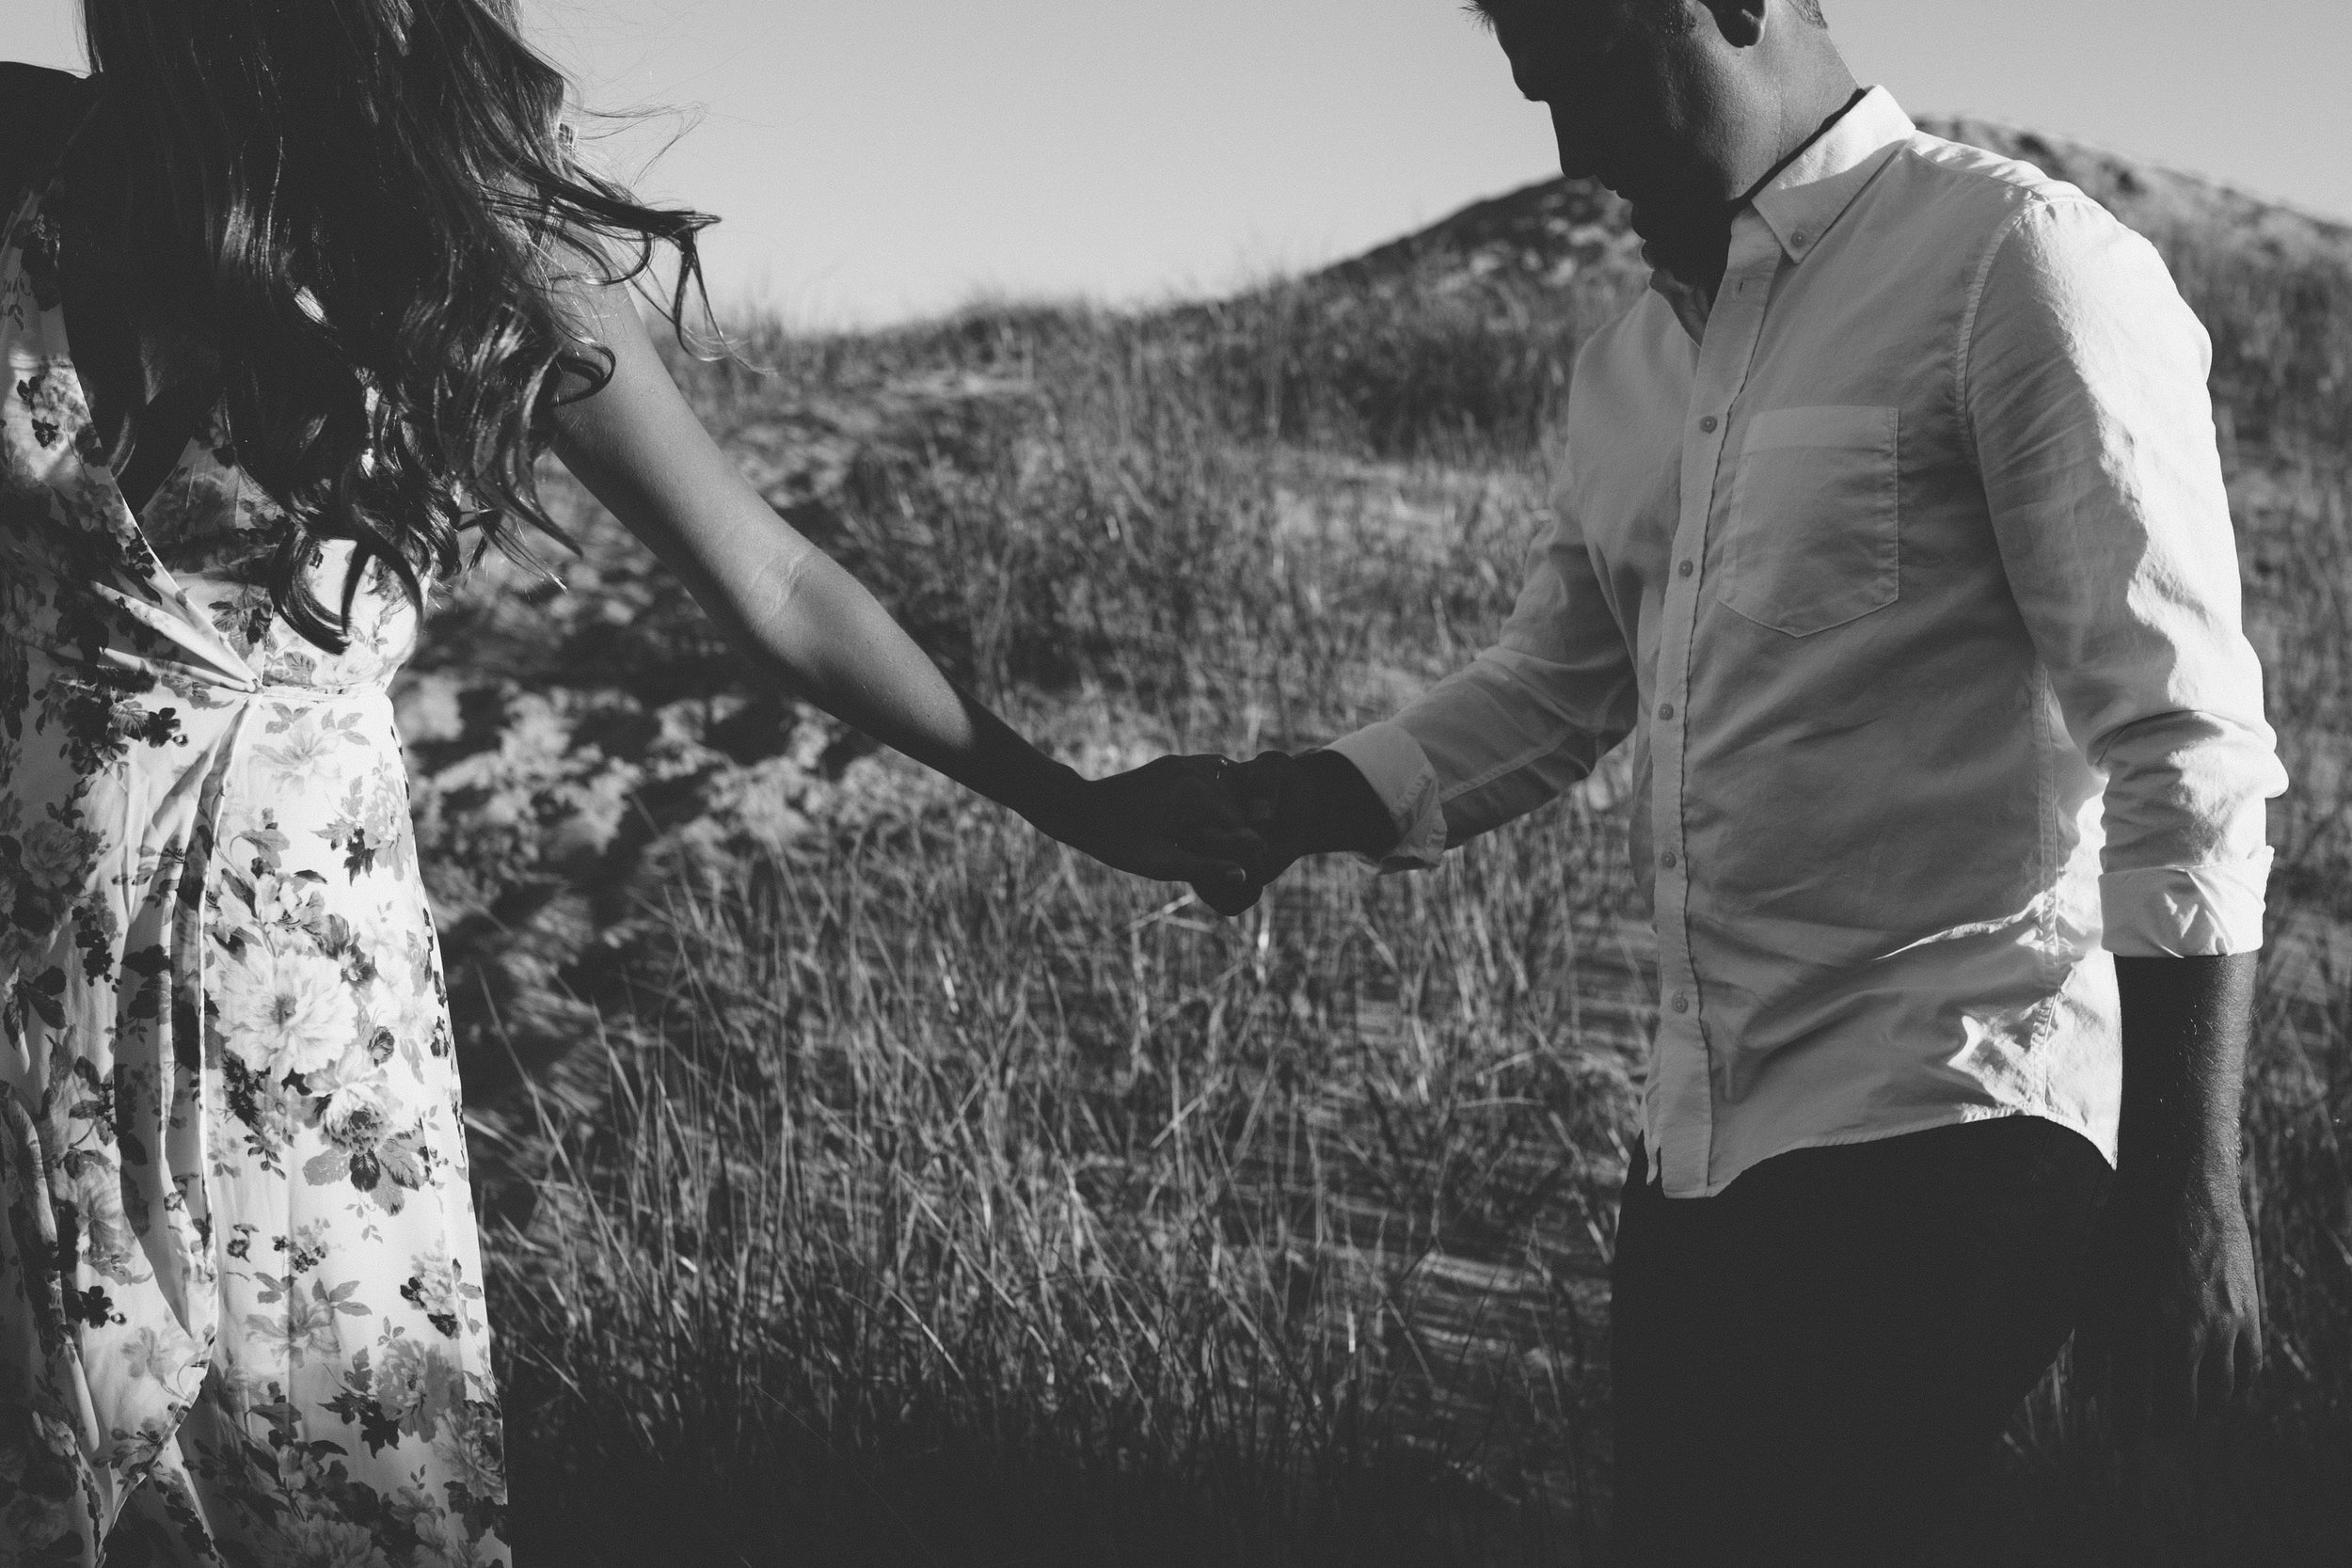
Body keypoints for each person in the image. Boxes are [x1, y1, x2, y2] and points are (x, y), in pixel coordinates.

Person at [0, 8, 1248, 1563]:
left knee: (339, 1495)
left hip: (298, 1019)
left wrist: (1062, 795)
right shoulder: (26, 145)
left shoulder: (468, 225)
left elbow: (774, 582)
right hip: (32, 975)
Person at [1136, 0, 2285, 1560]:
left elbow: (2183, 736)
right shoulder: (1629, 364)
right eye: (1538, 94)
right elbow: (1556, 681)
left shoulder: (2015, 265)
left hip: (1952, 1126)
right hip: (1697, 1161)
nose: (1570, 147)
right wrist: (1300, 801)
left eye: (1594, 77)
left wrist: (2188, 1195)